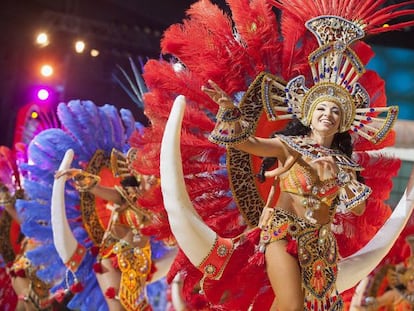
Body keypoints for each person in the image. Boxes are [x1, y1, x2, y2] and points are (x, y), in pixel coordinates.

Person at [55, 148, 159, 311]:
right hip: (113, 258)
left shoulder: (159, 208)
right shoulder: (126, 196)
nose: (153, 178)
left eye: (158, 175)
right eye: (150, 172)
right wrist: (79, 175)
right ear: (139, 171)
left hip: (139, 265)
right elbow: (98, 189)